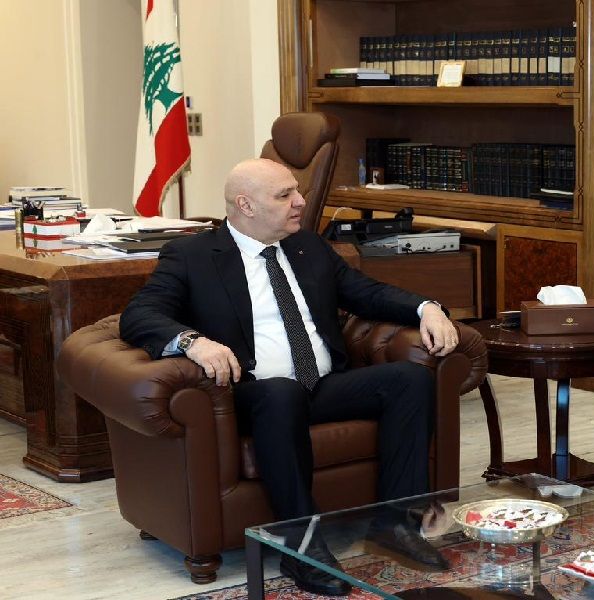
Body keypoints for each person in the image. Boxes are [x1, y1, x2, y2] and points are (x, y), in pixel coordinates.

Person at [120, 158, 459, 596]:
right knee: (281, 393)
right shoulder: (193, 256)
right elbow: (139, 314)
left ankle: (396, 523)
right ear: (245, 205)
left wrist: (426, 308)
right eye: (285, 195)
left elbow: (367, 293)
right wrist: (193, 342)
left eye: (296, 191)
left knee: (410, 380)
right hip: (253, 394)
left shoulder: (306, 246)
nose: (300, 201)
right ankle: (301, 543)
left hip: (319, 385)